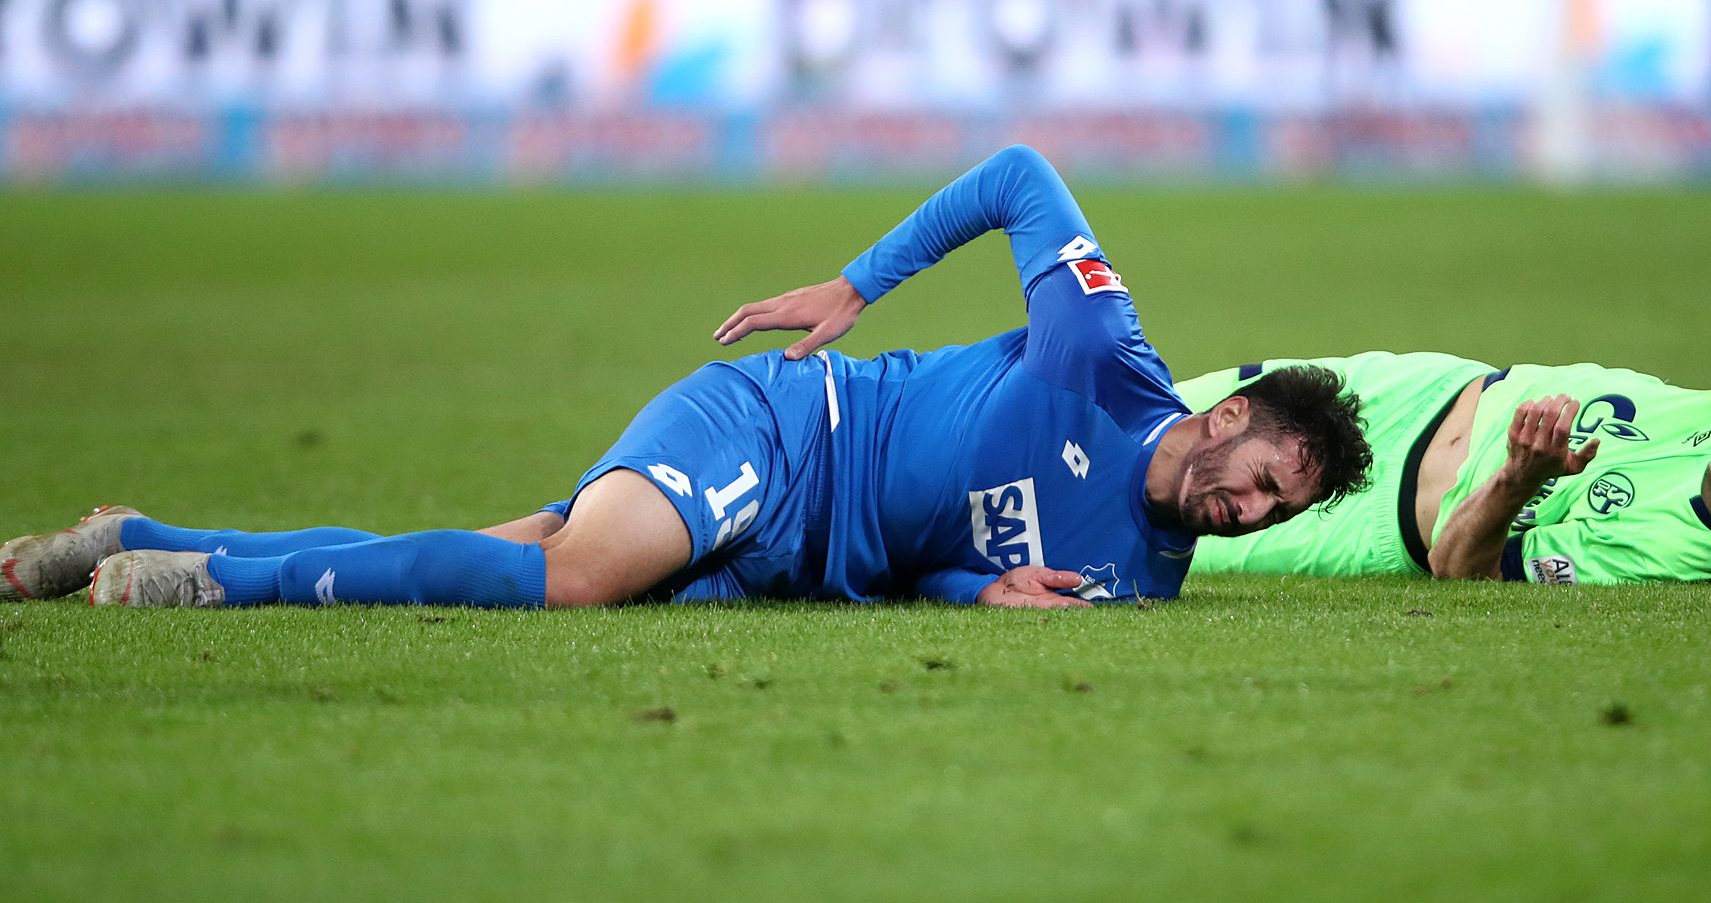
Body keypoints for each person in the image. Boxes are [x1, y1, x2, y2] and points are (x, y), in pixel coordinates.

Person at [2, 146, 1371, 610]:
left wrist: (982, 595)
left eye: (1275, 513)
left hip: (797, 560)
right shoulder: (1105, 355)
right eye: (1261, 480)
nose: (1248, 513)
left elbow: (941, 572)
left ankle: (139, 536)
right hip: (784, 430)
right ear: (1227, 417)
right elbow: (1018, 175)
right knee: (574, 578)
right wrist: (857, 284)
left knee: (501, 556)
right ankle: (206, 587)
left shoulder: (1144, 579)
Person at [1179, 210, 1711, 585]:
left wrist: (1519, 477)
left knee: (1155, 515)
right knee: (1164, 424)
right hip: (1414, 391)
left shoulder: (1666, 554)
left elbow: (1461, 568)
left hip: (1368, 520)